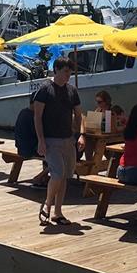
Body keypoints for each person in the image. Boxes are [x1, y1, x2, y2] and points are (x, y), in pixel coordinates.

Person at [33, 57, 83, 226]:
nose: (68, 75)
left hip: (68, 139)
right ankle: (47, 204)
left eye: (70, 72)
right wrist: (40, 140)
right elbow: (37, 116)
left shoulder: (72, 90)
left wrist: (79, 134)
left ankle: (58, 212)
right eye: (65, 71)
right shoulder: (45, 89)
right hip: (51, 139)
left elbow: (78, 114)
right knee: (57, 173)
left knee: (65, 176)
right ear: (56, 70)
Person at [79, 90, 113, 161]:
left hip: (109, 136)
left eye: (99, 102)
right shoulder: (98, 110)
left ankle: (91, 162)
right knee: (87, 138)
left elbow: (109, 127)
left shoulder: (111, 112)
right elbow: (93, 121)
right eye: (96, 102)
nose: (97, 104)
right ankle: (89, 161)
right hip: (97, 134)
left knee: (92, 141)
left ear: (106, 101)